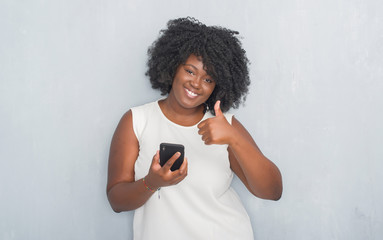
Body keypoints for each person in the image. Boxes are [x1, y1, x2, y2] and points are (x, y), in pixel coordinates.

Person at [107, 17, 283, 240]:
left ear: (217, 86)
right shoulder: (137, 120)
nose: (196, 83)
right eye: (190, 71)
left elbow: (272, 191)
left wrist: (234, 139)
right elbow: (116, 201)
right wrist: (151, 183)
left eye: (208, 79)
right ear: (173, 67)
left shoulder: (226, 126)